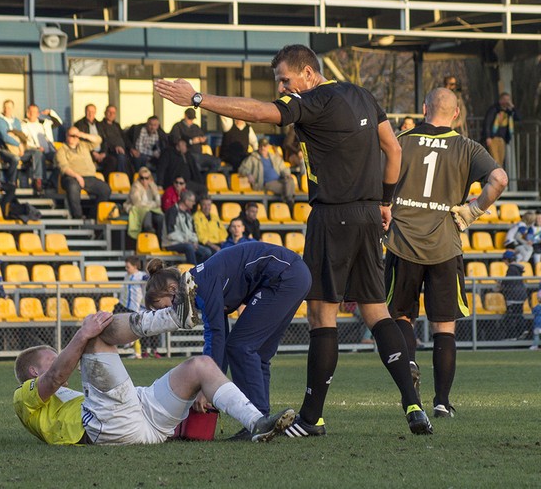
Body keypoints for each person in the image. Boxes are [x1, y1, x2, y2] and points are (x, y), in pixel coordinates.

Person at [155, 43, 430, 436]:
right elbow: (393, 148)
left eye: (286, 78)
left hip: (332, 214)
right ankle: (413, 404)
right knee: (375, 311)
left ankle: (312, 417)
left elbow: (261, 113)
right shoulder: (363, 95)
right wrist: (385, 201)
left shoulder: (313, 99)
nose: (283, 87)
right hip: (370, 214)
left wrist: (198, 98)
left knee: (323, 315)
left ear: (308, 72)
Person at [13, 276, 298, 445]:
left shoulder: (66, 398)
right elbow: (54, 378)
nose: (63, 359)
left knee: (200, 366)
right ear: (33, 370)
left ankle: (257, 423)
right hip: (108, 428)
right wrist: (82, 335)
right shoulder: (23, 398)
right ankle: (172, 316)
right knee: (93, 333)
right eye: (54, 357)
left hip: (143, 419)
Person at [384, 87, 507, 419]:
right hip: (445, 245)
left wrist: (385, 206)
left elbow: (378, 175)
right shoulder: (467, 147)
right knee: (444, 326)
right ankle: (441, 402)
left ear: (424, 108)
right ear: (455, 114)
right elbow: (499, 179)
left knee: (400, 317)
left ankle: (409, 361)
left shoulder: (402, 140)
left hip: (403, 242)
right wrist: (473, 210)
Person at [144, 243, 311, 439]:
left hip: (285, 275)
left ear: (172, 289)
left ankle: (256, 421)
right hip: (295, 275)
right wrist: (211, 383)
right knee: (258, 354)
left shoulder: (201, 284)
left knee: (240, 346)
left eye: (163, 306)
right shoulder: (198, 282)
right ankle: (263, 420)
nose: (169, 312)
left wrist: (207, 386)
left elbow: (216, 334)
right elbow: (218, 336)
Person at [56, 127, 111, 220]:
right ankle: (78, 217)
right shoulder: (61, 150)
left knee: (105, 189)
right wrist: (77, 176)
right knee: (73, 187)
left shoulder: (84, 145)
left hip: (89, 177)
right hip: (71, 177)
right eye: (72, 135)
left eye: (76, 136)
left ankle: (92, 216)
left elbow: (98, 140)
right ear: (66, 136)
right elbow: (64, 167)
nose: (74, 138)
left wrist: (82, 135)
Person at [238, 138, 294, 207]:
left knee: (290, 180)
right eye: (261, 146)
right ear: (258, 147)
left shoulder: (274, 157)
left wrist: (286, 174)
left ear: (268, 147)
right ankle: (289, 202)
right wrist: (248, 174)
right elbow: (242, 168)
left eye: (264, 146)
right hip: (266, 183)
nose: (262, 148)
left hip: (280, 180)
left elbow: (284, 168)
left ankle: (288, 201)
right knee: (287, 188)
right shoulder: (253, 158)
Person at [162, 190, 212, 265]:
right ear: (186, 201)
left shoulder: (188, 213)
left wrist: (194, 241)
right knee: (189, 247)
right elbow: (171, 234)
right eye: (192, 201)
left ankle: (199, 270)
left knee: (207, 252)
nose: (194, 203)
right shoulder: (172, 211)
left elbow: (193, 232)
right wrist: (187, 242)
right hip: (171, 243)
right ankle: (193, 272)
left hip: (187, 243)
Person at [122, 255, 157, 358]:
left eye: (128, 267)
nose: (126, 269)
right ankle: (136, 351)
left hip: (136, 306)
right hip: (125, 304)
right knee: (130, 326)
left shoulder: (140, 275)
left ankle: (134, 347)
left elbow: (149, 278)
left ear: (135, 266)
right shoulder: (126, 276)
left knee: (134, 327)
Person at [169, 108, 220, 174]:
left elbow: (205, 141)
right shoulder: (178, 126)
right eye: (189, 118)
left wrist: (202, 140)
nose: (191, 121)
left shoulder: (196, 127)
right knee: (195, 165)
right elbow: (175, 140)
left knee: (216, 161)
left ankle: (206, 178)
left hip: (199, 154)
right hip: (188, 155)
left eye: (192, 119)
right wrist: (191, 142)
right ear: (185, 116)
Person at [22, 104, 62, 187]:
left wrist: (50, 113)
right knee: (39, 154)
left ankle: (51, 181)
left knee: (61, 157)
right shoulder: (23, 124)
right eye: (32, 112)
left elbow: (58, 122)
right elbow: (25, 141)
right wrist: (36, 148)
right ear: (28, 113)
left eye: (36, 112)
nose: (34, 114)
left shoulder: (44, 123)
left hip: (48, 150)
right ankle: (39, 182)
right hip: (34, 151)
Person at [124, 166, 164, 240]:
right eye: (142, 178)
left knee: (160, 218)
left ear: (150, 178)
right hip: (137, 209)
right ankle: (149, 238)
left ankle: (159, 240)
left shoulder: (152, 185)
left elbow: (158, 202)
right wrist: (152, 204)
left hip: (150, 209)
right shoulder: (135, 186)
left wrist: (153, 200)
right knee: (147, 217)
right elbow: (137, 203)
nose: (144, 180)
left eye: (146, 178)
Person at [482, 92, 520, 167]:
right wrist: (488, 137)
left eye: (508, 100)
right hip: (493, 138)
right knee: (495, 160)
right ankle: (496, 177)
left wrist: (512, 107)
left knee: (500, 161)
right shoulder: (494, 109)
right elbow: (487, 122)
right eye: (504, 100)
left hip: (502, 139)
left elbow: (518, 117)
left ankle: (499, 177)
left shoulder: (509, 112)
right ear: (500, 100)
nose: (506, 102)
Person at [499, 250, 528, 340]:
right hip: (520, 295)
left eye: (504, 259)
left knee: (512, 315)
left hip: (513, 296)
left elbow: (508, 281)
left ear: (507, 260)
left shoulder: (511, 268)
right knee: (518, 313)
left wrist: (500, 284)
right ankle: (522, 331)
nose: (504, 262)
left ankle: (514, 335)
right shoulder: (517, 268)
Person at [98, 105, 132, 176]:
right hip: (111, 151)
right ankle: (120, 180)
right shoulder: (100, 125)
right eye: (109, 112)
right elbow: (104, 140)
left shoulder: (117, 125)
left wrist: (132, 148)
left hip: (123, 150)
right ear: (105, 113)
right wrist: (115, 147)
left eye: (113, 113)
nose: (111, 114)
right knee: (121, 158)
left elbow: (124, 138)